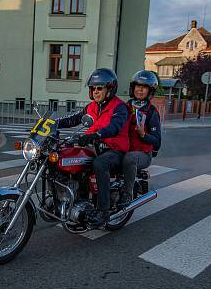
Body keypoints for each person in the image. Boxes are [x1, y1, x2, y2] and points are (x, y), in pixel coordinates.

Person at [58, 68, 129, 228]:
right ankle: (75, 198)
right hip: (94, 147)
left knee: (100, 164)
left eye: (99, 88)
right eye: (93, 88)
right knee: (66, 156)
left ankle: (103, 212)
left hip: (114, 150)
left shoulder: (120, 107)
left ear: (109, 89)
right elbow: (73, 119)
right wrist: (51, 123)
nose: (95, 92)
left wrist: (96, 135)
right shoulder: (91, 107)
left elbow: (115, 127)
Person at [121, 71, 162, 206]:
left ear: (149, 91)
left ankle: (127, 196)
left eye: (144, 87)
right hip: (123, 148)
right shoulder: (125, 107)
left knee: (130, 158)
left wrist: (144, 135)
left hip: (143, 154)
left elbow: (157, 141)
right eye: (137, 86)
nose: (140, 89)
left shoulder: (152, 112)